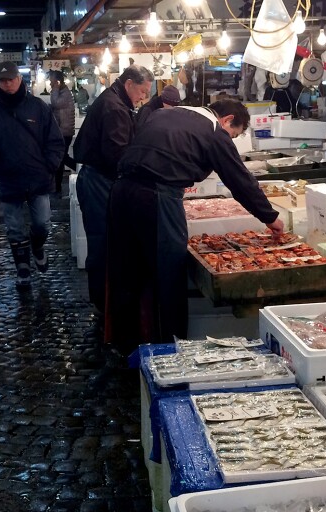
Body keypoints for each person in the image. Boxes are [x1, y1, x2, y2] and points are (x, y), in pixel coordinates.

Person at [106, 100, 284, 353]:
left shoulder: (163, 114)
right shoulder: (214, 131)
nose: (230, 140)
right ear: (226, 120)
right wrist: (270, 217)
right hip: (156, 197)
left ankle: (124, 346)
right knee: (168, 273)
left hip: (121, 192)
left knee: (127, 271)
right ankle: (170, 350)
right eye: (233, 134)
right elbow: (239, 180)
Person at [0, 61, 65, 289]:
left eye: (11, 79)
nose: (8, 84)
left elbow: (55, 141)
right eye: (3, 80)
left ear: (19, 79)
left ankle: (37, 247)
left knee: (42, 224)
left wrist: (49, 167)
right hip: (9, 179)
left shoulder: (38, 107)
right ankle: (22, 269)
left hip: (38, 179)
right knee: (14, 229)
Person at [72, 65, 153, 312]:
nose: (143, 97)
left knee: (107, 241)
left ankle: (107, 300)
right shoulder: (115, 108)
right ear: (129, 84)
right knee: (102, 242)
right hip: (99, 181)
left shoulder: (116, 100)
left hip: (99, 177)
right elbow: (117, 154)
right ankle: (103, 303)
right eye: (141, 91)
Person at [49, 71, 77, 193]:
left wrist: (54, 88)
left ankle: (82, 169)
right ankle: (58, 187)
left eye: (52, 81)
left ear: (58, 81)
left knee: (61, 158)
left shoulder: (65, 93)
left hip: (64, 132)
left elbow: (56, 103)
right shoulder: (63, 93)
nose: (50, 83)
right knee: (61, 158)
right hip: (62, 131)